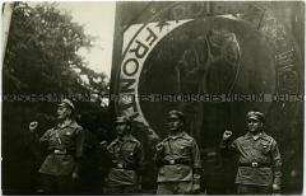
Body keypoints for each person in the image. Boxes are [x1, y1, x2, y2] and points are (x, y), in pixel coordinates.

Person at [28, 99, 85, 194]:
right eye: (58, 109)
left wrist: (76, 171)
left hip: (65, 167)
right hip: (48, 167)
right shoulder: (52, 131)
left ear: (69, 111)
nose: (57, 111)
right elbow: (39, 144)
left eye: (61, 109)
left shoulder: (77, 129)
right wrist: (33, 132)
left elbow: (79, 152)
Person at [220, 111, 282, 194]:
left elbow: (277, 162)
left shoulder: (270, 141)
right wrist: (224, 141)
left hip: (264, 180)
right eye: (249, 121)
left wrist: (277, 182)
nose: (251, 124)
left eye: (255, 121)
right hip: (245, 180)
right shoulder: (240, 141)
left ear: (261, 124)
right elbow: (225, 155)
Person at [155, 109, 201, 194]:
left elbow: (197, 164)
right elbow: (156, 163)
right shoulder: (163, 143)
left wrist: (196, 182)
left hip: (183, 180)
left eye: (175, 120)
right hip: (165, 180)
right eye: (169, 121)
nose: (172, 123)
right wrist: (158, 153)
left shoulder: (190, 141)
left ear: (181, 123)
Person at [102, 116, 144, 194]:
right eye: (117, 125)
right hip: (114, 179)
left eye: (121, 125)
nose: (118, 127)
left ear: (128, 126)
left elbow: (140, 165)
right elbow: (106, 163)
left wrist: (140, 183)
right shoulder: (112, 144)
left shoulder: (136, 144)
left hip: (130, 179)